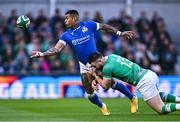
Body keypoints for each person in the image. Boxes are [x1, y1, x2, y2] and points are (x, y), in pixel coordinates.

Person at [30, 10, 137, 115]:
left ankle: (132, 98)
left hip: (97, 62)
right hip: (84, 65)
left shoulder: (88, 25)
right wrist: (42, 54)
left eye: (67, 18)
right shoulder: (66, 35)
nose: (65, 21)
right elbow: (56, 49)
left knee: (111, 84)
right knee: (89, 93)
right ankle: (102, 106)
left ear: (74, 18)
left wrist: (120, 33)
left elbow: (104, 26)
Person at [88, 52, 180, 114]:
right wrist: (96, 80)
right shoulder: (112, 56)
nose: (94, 68)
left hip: (144, 82)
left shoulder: (107, 68)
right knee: (157, 96)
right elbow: (109, 76)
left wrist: (95, 76)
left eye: (94, 65)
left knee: (160, 109)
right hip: (149, 74)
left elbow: (105, 86)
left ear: (99, 61)